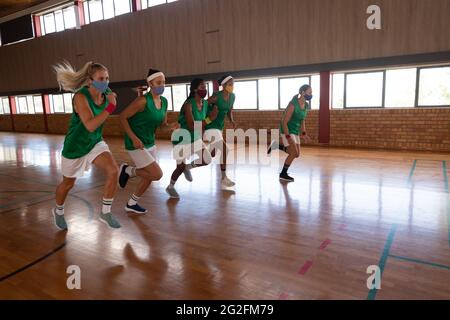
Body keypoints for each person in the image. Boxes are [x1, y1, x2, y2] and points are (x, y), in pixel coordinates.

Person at [53, 61, 121, 230]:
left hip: (95, 142)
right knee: (68, 184)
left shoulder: (107, 95)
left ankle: (105, 212)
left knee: (113, 171)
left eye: (107, 78)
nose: (105, 82)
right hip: (75, 147)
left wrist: (109, 103)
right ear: (90, 80)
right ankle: (59, 210)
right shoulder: (80, 97)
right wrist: (111, 107)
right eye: (101, 78)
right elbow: (90, 125)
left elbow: (94, 130)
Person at [268, 84, 312, 182]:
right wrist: (287, 136)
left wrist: (304, 133)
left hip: (295, 130)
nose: (311, 94)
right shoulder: (293, 104)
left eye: (311, 93)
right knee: (294, 153)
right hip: (286, 129)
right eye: (309, 92)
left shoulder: (306, 105)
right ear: (303, 93)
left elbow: (302, 120)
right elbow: (284, 122)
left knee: (296, 154)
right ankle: (283, 174)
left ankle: (277, 146)